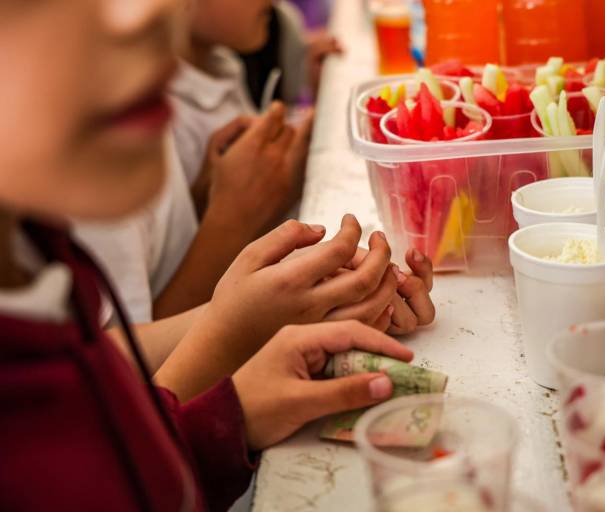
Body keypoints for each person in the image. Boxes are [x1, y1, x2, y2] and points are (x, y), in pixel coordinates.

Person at [0, 1, 415, 510]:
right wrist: (229, 329)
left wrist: (231, 417)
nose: (151, 11)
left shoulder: (37, 247)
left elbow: (92, 388)